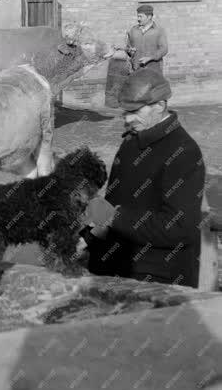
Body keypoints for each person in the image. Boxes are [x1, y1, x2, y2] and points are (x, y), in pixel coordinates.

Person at [82, 68, 205, 287]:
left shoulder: (184, 152)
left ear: (160, 105)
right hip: (115, 265)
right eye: (125, 112)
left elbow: (178, 228)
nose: (128, 119)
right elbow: (113, 203)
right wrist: (87, 238)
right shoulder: (132, 140)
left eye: (135, 111)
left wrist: (115, 217)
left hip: (159, 277)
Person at [125, 4, 169, 73]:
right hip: (136, 69)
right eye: (138, 16)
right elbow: (128, 47)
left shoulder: (159, 30)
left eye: (140, 16)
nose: (138, 19)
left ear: (149, 17)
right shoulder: (133, 30)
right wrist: (130, 51)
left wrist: (150, 58)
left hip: (154, 70)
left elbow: (164, 49)